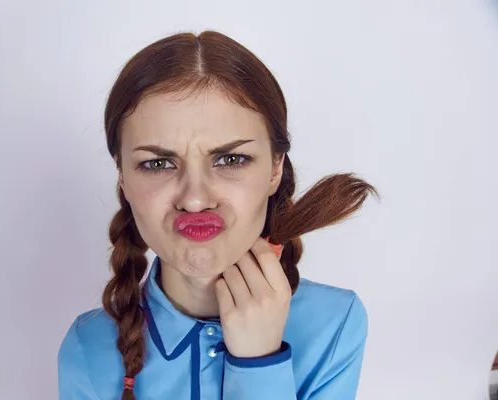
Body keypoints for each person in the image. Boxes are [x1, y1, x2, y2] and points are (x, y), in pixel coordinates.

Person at [58, 30, 379, 400]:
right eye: (158, 163)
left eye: (230, 159)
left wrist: (258, 361)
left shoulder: (334, 325)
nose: (195, 199)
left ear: (276, 169)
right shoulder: (87, 349)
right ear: (123, 178)